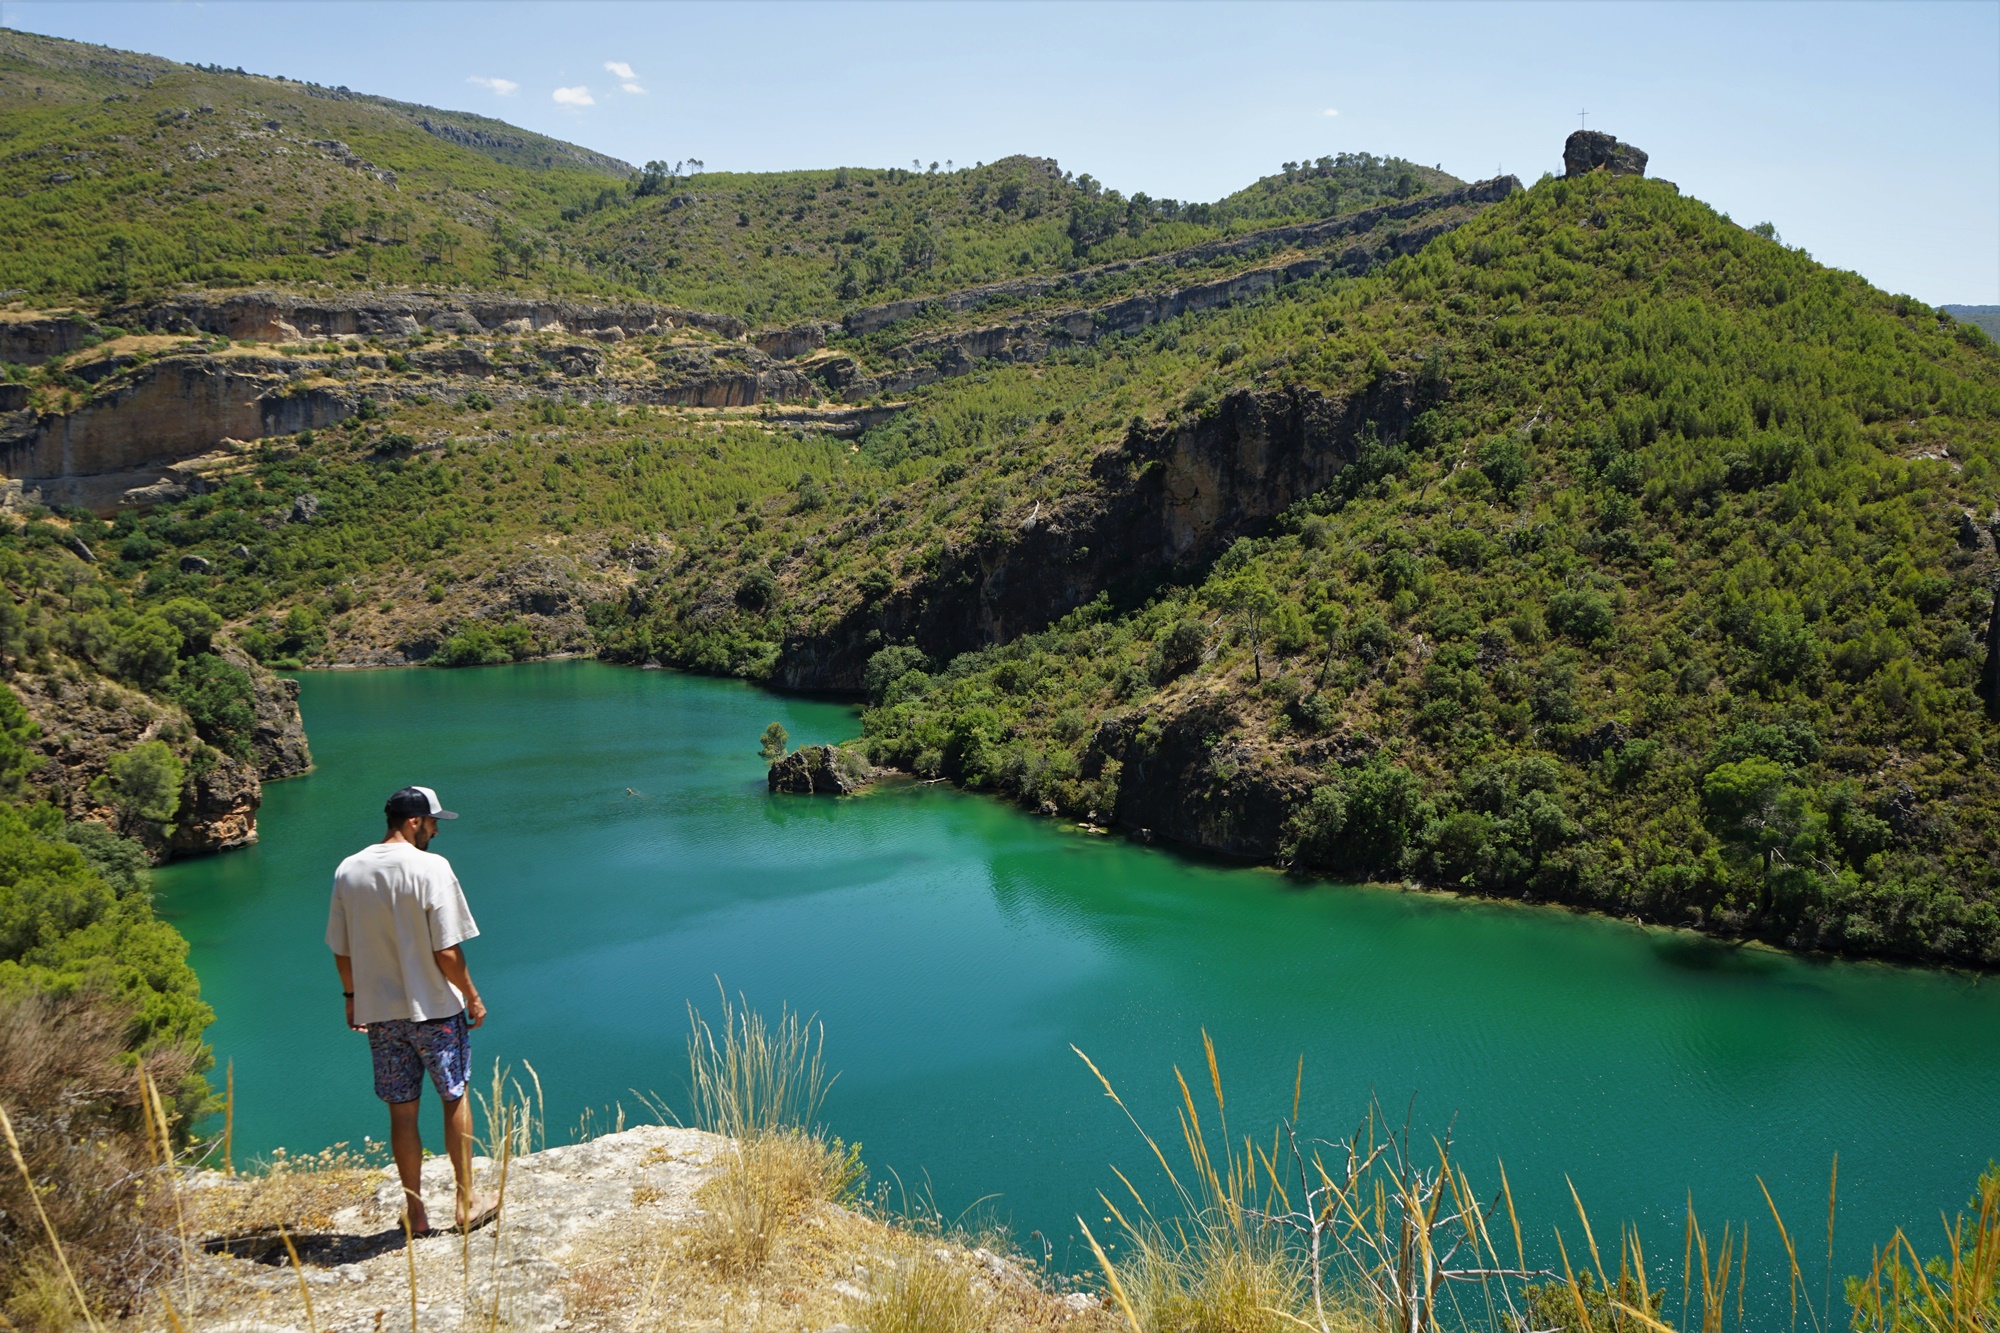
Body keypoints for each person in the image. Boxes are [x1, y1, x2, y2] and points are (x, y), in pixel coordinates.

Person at [326, 785, 499, 1236]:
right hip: (435, 1009)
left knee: (402, 1112)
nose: (437, 831)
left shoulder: (349, 869)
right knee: (454, 1096)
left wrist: (352, 998)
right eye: (434, 822)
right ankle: (466, 1202)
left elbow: (341, 950)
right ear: (414, 821)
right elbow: (446, 950)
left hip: (381, 1014)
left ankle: (416, 1215)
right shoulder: (431, 867)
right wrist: (472, 995)